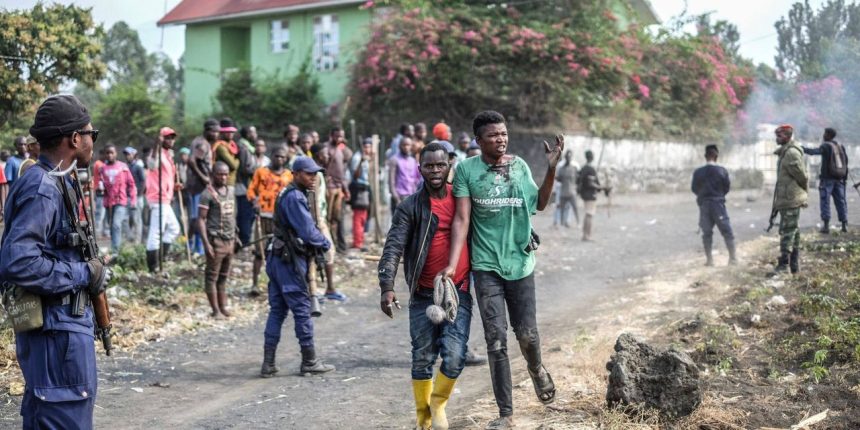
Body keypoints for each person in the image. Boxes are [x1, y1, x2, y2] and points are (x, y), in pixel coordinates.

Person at [442, 110, 561, 428]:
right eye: (493, 135)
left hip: (520, 263)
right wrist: (452, 264)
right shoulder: (466, 170)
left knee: (527, 336)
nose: (501, 139)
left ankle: (536, 368)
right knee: (496, 341)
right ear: (479, 140)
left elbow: (540, 204)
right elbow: (461, 219)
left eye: (504, 134)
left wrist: (551, 169)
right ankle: (506, 414)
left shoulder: (519, 166)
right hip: (486, 266)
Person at [0, 94, 108, 429]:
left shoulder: (58, 180)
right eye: (91, 134)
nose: (92, 142)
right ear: (75, 138)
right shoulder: (43, 187)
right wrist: (83, 273)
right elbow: (19, 262)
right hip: (56, 332)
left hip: (61, 329)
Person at [378, 143, 473, 430]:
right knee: (422, 358)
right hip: (422, 295)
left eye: (440, 165)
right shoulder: (410, 207)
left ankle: (438, 403)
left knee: (455, 357)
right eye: (429, 166)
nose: (435, 170)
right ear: (420, 170)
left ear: (449, 166)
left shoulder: (463, 199)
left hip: (457, 291)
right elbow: (393, 246)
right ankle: (424, 420)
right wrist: (386, 285)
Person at [260, 156, 336, 377]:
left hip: (277, 258)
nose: (313, 177)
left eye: (315, 174)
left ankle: (268, 363)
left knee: (277, 311)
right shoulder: (294, 197)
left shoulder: (289, 193)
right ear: (296, 173)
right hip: (289, 261)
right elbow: (308, 232)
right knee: (302, 310)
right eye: (308, 173)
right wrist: (325, 243)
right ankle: (309, 361)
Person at [247, 146, 293, 296]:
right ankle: (255, 284)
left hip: (280, 219)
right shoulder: (261, 172)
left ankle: (278, 283)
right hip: (263, 216)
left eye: (282, 157)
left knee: (279, 251)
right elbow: (251, 190)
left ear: (286, 159)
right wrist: (254, 201)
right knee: (259, 252)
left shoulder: (288, 175)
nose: (279, 159)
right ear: (271, 156)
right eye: (277, 156)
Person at [198, 162, 236, 318]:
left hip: (230, 240)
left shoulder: (231, 191)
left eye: (226, 174)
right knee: (212, 276)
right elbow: (201, 219)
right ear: (213, 175)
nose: (224, 177)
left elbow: (231, 215)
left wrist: (235, 233)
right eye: (220, 174)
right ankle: (215, 310)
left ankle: (223, 307)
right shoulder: (207, 194)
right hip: (216, 241)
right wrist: (206, 244)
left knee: (223, 276)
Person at [310, 144, 348, 302]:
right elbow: (313, 201)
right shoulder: (315, 175)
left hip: (320, 219)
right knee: (325, 252)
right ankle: (317, 291)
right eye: (325, 154)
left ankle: (325, 289)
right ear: (319, 155)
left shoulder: (319, 173)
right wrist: (317, 223)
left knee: (324, 253)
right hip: (316, 221)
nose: (328, 156)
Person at [772, 124, 808, 275]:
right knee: (793, 230)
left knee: (788, 230)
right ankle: (794, 266)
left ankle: (784, 264)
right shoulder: (785, 152)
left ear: (787, 136)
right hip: (787, 198)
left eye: (779, 136)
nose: (777, 138)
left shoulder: (791, 153)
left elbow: (802, 176)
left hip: (791, 198)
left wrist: (802, 193)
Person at [691, 145, 736, 266]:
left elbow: (694, 188)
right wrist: (718, 195)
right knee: (727, 231)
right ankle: (733, 259)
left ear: (705, 156)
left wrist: (703, 196)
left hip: (704, 205)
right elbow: (726, 188)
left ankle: (709, 260)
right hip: (718, 205)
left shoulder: (698, 172)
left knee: (706, 233)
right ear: (716, 156)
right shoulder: (722, 171)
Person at [145, 127, 182, 272]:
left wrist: (174, 186)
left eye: (172, 138)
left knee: (174, 228)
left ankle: (162, 257)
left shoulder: (168, 155)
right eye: (167, 137)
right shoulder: (157, 153)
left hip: (166, 198)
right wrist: (156, 146)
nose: (171, 140)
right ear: (161, 139)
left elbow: (167, 177)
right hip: (158, 198)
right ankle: (153, 266)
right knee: (156, 232)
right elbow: (152, 165)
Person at [803, 127, 849, 233]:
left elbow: (814, 152)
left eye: (825, 133)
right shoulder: (840, 146)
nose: (823, 135)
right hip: (839, 179)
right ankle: (844, 225)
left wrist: (802, 149)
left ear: (828, 135)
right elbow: (845, 162)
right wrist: (844, 178)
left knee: (825, 201)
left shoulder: (826, 146)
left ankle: (826, 226)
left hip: (827, 179)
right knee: (841, 201)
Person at [185, 119, 218, 255]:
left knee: (198, 217)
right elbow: (191, 160)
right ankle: (194, 247)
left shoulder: (200, 142)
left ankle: (196, 247)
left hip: (197, 186)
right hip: (198, 187)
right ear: (207, 131)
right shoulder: (203, 144)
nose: (216, 135)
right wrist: (204, 177)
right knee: (198, 217)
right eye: (214, 132)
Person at [100, 144, 137, 253]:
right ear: (105, 154)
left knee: (116, 224)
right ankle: (116, 247)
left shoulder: (123, 167)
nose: (110, 155)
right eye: (107, 153)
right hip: (108, 202)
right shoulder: (103, 168)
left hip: (120, 201)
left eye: (112, 153)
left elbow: (131, 184)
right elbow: (100, 184)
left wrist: (133, 199)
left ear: (116, 154)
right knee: (111, 226)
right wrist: (99, 188)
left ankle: (116, 252)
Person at [323, 127, 352, 253]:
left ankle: (336, 243)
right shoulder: (326, 148)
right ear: (331, 135)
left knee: (337, 217)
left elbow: (343, 168)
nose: (339, 138)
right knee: (328, 217)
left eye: (341, 136)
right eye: (337, 136)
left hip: (339, 187)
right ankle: (328, 244)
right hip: (329, 187)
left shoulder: (340, 149)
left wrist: (345, 188)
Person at [235, 125, 260, 248]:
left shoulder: (248, 147)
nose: (255, 135)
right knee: (245, 215)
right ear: (248, 134)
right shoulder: (244, 148)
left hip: (247, 186)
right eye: (253, 132)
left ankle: (244, 241)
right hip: (244, 187)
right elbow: (245, 169)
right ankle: (244, 243)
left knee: (247, 214)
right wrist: (257, 172)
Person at [349, 138, 373, 251]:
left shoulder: (367, 157)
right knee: (359, 216)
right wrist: (361, 162)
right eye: (365, 147)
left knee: (363, 216)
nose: (367, 149)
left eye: (369, 147)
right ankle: (357, 243)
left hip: (365, 188)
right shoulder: (357, 157)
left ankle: (360, 240)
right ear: (362, 147)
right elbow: (355, 175)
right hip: (359, 188)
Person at [576, 150, 605, 242]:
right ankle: (587, 236)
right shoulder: (590, 169)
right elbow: (591, 183)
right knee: (589, 214)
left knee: (587, 214)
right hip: (590, 194)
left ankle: (585, 235)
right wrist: (602, 187)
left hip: (584, 194)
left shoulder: (583, 168)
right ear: (592, 157)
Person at [388, 136, 420, 212]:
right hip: (399, 197)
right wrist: (396, 199)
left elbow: (416, 180)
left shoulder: (413, 161)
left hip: (411, 197)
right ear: (399, 146)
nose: (406, 147)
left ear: (411, 146)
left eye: (408, 145)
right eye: (404, 145)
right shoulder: (394, 160)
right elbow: (391, 181)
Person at [125, 146, 147, 244]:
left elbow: (143, 182)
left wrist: (139, 195)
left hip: (137, 197)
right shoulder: (126, 167)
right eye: (126, 154)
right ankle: (130, 238)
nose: (127, 156)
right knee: (129, 218)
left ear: (134, 155)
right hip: (128, 196)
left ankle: (138, 241)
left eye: (129, 154)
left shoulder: (138, 167)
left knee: (137, 219)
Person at [554, 151, 579, 228]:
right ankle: (560, 223)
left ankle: (577, 223)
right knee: (561, 208)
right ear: (565, 157)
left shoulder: (574, 168)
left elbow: (577, 179)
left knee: (574, 208)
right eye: (567, 157)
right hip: (563, 191)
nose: (569, 158)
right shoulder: (561, 168)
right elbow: (558, 179)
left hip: (572, 191)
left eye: (570, 157)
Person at [91, 149, 107, 237]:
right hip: (100, 191)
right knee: (100, 213)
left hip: (104, 192)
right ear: (101, 155)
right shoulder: (99, 164)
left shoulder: (102, 163)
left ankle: (104, 231)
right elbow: (102, 176)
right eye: (105, 154)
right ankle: (97, 231)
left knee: (104, 213)